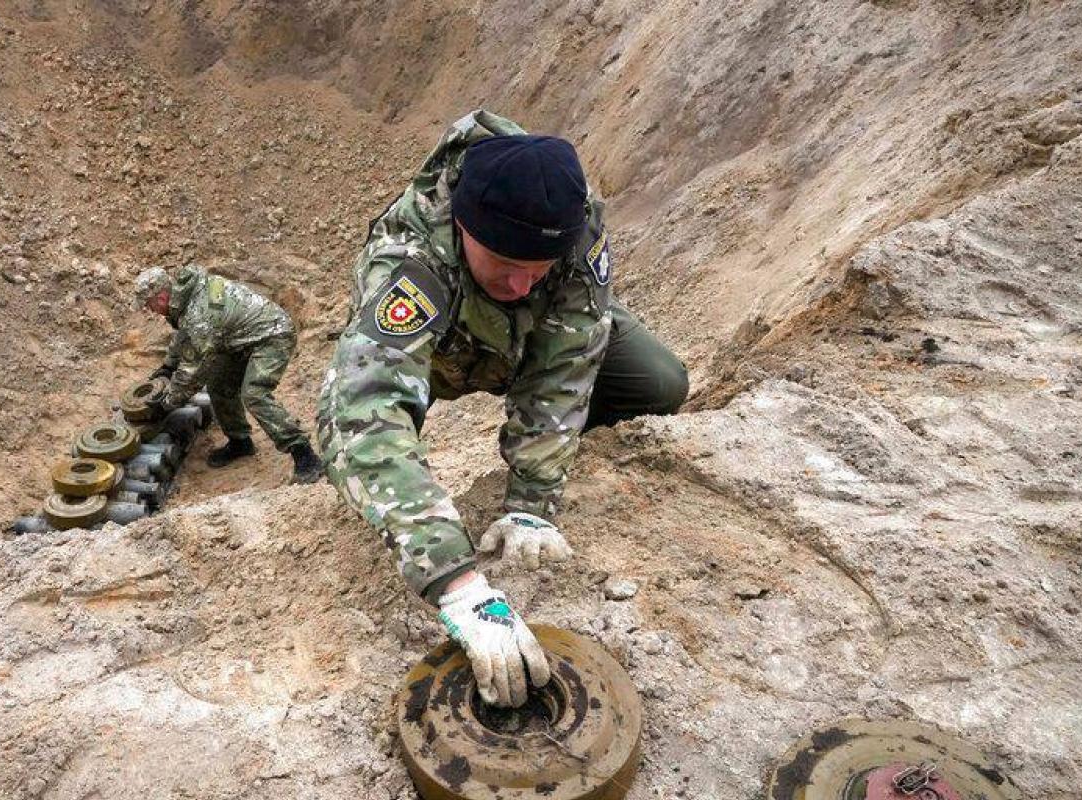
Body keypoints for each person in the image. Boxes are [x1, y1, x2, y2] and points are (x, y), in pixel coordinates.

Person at [316, 110, 689, 707]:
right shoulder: (411, 259)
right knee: (377, 448)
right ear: (466, 228)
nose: (521, 284)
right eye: (506, 266)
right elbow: (361, 412)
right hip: (444, 348)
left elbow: (569, 357)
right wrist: (458, 584)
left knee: (658, 381)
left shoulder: (572, 218)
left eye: (536, 271)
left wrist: (531, 504)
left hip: (530, 339)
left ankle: (554, 460)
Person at [134, 264, 323, 484]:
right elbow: (184, 335)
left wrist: (166, 403)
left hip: (273, 336)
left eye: (149, 305)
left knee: (254, 394)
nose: (150, 311)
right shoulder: (187, 296)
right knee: (219, 384)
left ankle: (304, 454)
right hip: (241, 338)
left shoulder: (200, 316)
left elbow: (192, 372)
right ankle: (240, 441)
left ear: (161, 297)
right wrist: (168, 365)